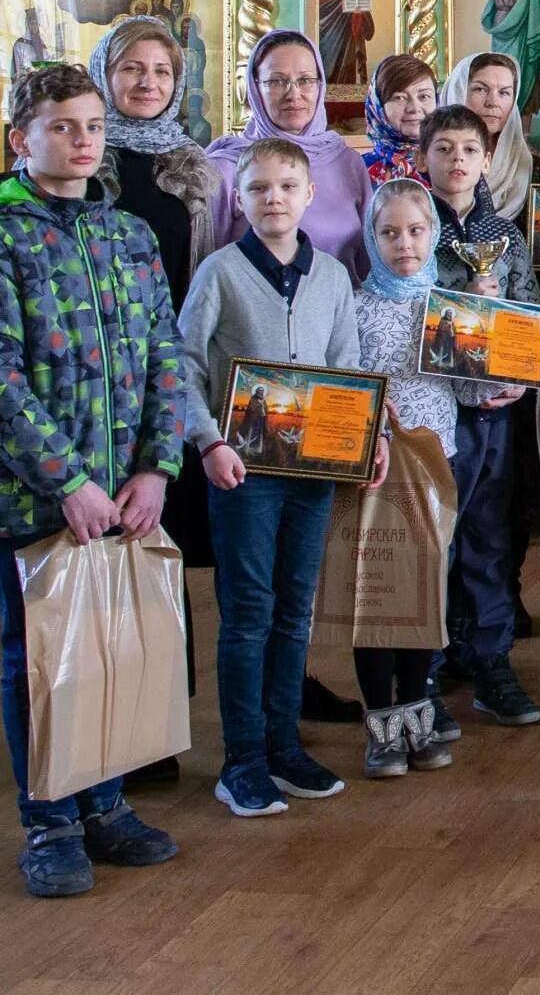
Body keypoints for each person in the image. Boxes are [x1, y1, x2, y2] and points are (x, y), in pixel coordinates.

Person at [0, 64, 188, 898]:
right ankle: (49, 818)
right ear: (23, 138)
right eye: (63, 126)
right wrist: (68, 484)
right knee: (43, 653)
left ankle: (106, 804)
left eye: (92, 126)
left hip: (128, 488)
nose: (82, 140)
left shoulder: (127, 235)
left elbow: (166, 355)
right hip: (36, 495)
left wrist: (157, 467)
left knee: (112, 645)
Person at [178, 136, 369, 817]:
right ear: (240, 197)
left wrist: (358, 445)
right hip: (242, 472)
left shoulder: (332, 277)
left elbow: (345, 365)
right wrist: (207, 442)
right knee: (249, 612)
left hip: (313, 472)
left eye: (287, 187)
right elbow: (183, 367)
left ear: (309, 194)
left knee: (296, 612)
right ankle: (243, 759)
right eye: (258, 188)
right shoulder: (220, 273)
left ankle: (285, 746)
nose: (273, 199)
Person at [87, 17, 223, 766]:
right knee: (100, 548)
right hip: (98, 376)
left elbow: (199, 278)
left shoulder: (192, 168)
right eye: (133, 68)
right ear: (106, 73)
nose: (147, 82)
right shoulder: (86, 159)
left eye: (161, 71)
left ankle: (160, 725)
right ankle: (102, 721)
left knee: (156, 545)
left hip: (165, 374)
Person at [348, 179, 474, 779]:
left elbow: (474, 384)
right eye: (389, 232)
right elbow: (341, 379)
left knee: (426, 588)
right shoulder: (354, 305)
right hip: (373, 472)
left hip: (435, 464)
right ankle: (382, 723)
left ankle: (418, 712)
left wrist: (521, 361)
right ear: (371, 238)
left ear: (434, 235)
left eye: (417, 231)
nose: (405, 243)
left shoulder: (450, 304)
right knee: (376, 593)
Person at [420, 105, 540, 727]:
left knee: (489, 536)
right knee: (435, 533)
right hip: (434, 409)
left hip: (495, 411)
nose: (457, 160)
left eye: (469, 149)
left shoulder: (508, 236)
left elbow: (528, 312)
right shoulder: (410, 228)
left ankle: (491, 658)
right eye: (443, 149)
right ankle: (428, 665)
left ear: (488, 159)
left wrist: (520, 377)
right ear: (424, 158)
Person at [209, 29, 373, 278]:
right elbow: (207, 267)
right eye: (276, 81)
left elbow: (367, 262)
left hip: (341, 310)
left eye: (305, 80)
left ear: (320, 85)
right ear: (254, 87)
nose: (293, 94)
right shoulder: (228, 167)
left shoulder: (347, 163)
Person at [445, 52, 536, 225]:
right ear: (458, 91)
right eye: (480, 89)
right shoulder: (426, 165)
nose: (492, 102)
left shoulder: (535, 171)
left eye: (504, 92)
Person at [360, 53, 438, 188]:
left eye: (424, 96)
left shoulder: (453, 163)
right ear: (377, 105)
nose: (414, 108)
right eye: (399, 98)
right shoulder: (357, 172)